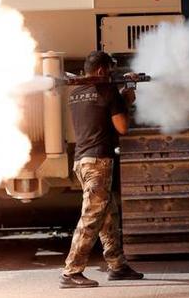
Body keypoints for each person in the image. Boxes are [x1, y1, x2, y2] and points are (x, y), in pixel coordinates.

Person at [60, 51, 144, 288]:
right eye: (109, 70)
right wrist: (126, 91)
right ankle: (71, 271)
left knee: (108, 217)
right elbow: (122, 126)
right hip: (99, 163)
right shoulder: (108, 92)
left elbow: (99, 115)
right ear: (100, 71)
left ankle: (117, 266)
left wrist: (124, 93)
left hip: (82, 162)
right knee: (91, 218)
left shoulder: (76, 94)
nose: (110, 74)